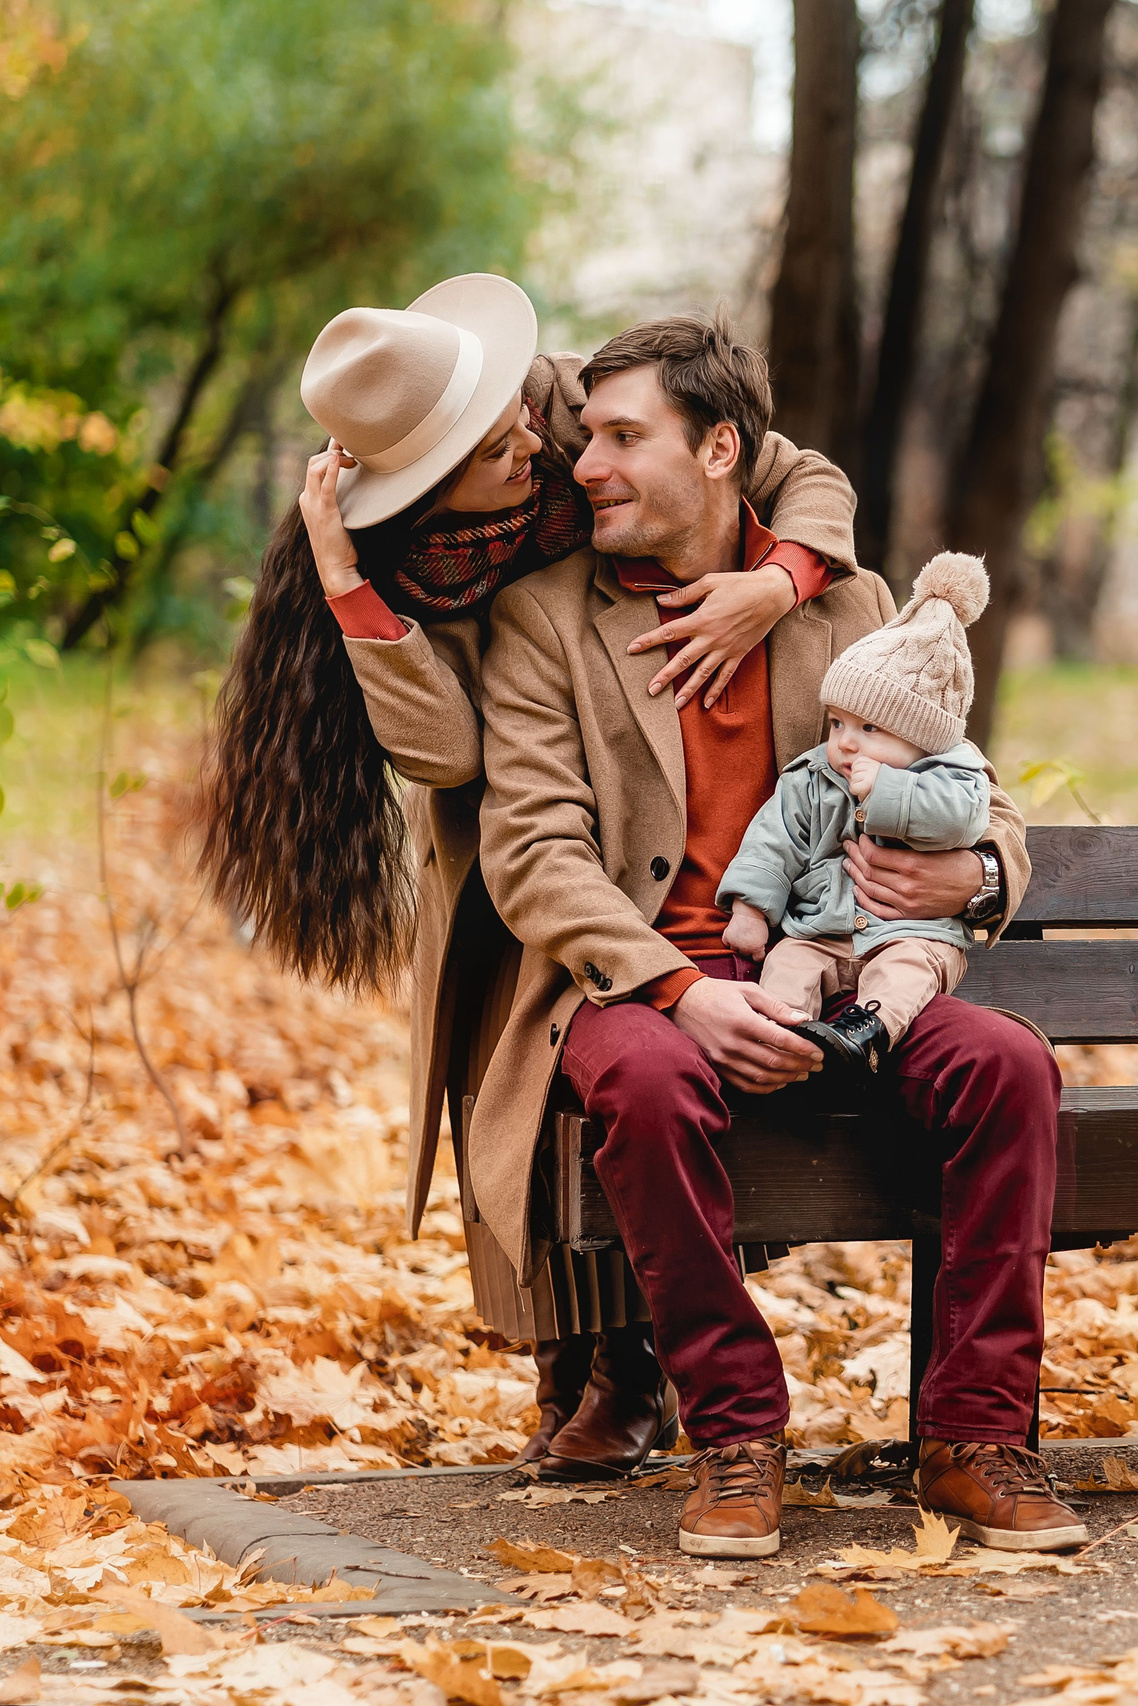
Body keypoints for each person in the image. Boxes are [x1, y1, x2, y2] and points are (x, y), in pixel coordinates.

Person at [198, 274, 861, 1482]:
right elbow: (445, 751)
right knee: (532, 1052)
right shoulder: (400, 551)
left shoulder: (566, 413)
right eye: (491, 449)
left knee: (636, 1032)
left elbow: (798, 470)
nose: (532, 447)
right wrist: (349, 581)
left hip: (637, 763)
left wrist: (780, 581)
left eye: (512, 417)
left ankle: (637, 1366)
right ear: (422, 487)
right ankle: (579, 1357)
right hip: (521, 802)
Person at [472, 312, 1083, 1558]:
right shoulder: (543, 617)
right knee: (644, 1082)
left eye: (621, 436)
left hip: (847, 966)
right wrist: (683, 990)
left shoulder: (849, 604)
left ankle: (973, 1437)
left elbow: (988, 796)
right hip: (646, 984)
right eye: (586, 434)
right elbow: (533, 852)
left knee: (1007, 1063)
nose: (584, 463)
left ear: (718, 452)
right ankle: (737, 1436)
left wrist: (969, 870)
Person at [719, 552, 995, 1078]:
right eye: (837, 723)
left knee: (906, 975)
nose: (845, 743)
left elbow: (962, 821)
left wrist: (889, 792)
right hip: (821, 926)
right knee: (787, 964)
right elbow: (775, 838)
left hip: (914, 932)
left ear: (923, 739)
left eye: (869, 729)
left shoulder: (954, 775)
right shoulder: (816, 775)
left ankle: (866, 1036)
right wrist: (751, 911)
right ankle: (784, 1036)